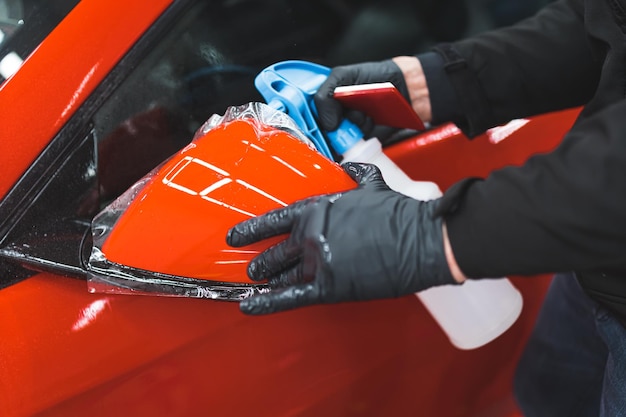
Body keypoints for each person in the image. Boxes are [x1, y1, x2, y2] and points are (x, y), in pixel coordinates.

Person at [226, 0, 626, 414]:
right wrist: (431, 80)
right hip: (600, 266)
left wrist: (433, 236)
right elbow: (605, 19)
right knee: (545, 396)